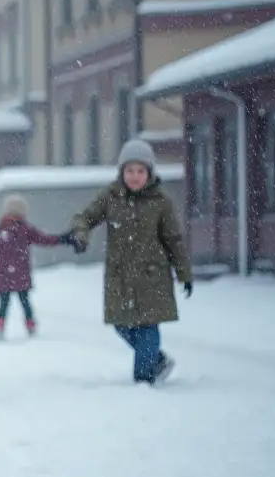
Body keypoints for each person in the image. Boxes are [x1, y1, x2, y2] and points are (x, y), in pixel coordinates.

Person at [71, 139, 192, 385]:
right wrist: (81, 234)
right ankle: (155, 359)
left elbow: (174, 240)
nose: (135, 176)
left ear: (149, 173)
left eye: (140, 171)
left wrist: (184, 273)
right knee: (122, 325)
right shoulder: (110, 197)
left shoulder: (161, 202)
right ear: (121, 172)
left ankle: (144, 380)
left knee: (147, 327)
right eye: (129, 171)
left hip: (152, 277)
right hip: (120, 278)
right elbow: (84, 217)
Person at [0, 195, 73, 340]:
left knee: (3, 303)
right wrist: (61, 239)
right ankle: (30, 323)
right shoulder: (25, 229)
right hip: (20, 273)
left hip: (3, 274)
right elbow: (44, 240)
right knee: (25, 301)